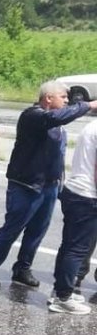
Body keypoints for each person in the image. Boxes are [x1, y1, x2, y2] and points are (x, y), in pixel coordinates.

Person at [0, 83, 97, 290]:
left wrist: (59, 183)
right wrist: (89, 105)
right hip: (26, 185)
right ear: (48, 98)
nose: (67, 101)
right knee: (12, 230)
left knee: (36, 232)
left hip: (48, 187)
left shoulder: (57, 121)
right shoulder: (33, 115)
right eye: (63, 97)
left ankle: (22, 269)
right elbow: (56, 118)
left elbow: (57, 154)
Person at [48, 118, 97, 314]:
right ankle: (63, 297)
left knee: (69, 245)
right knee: (77, 250)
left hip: (75, 191)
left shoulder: (91, 126)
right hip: (88, 195)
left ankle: (59, 290)